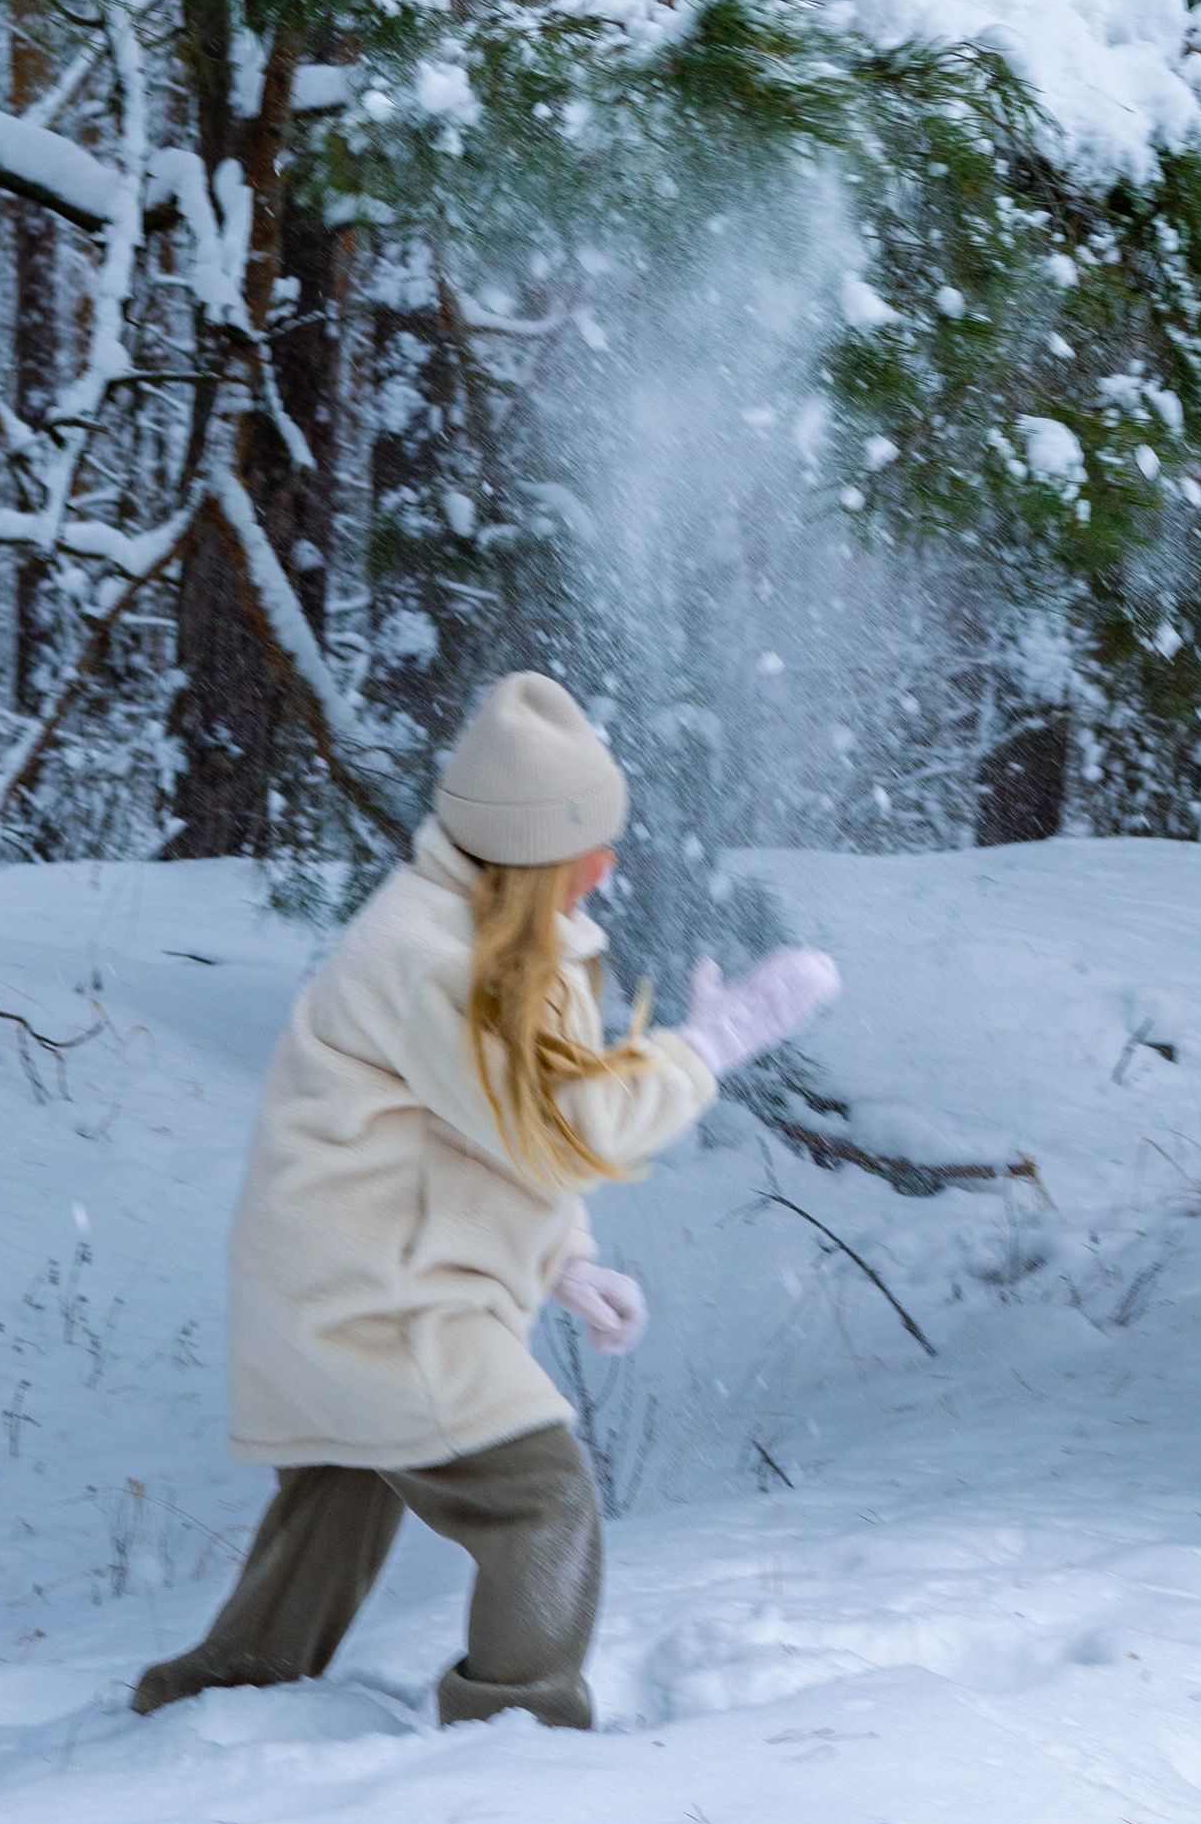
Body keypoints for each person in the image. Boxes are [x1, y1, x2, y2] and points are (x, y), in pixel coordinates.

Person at [131, 667, 838, 1731]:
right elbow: (563, 1128)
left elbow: (485, 1134)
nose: (607, 868)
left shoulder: (486, 934)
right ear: (525, 848)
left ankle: (224, 1693)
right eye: (585, 848)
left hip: (345, 1272)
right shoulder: (440, 960)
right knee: (540, 1498)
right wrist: (709, 1048)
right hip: (375, 1290)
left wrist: (562, 1258)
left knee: (345, 1490)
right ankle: (518, 1727)